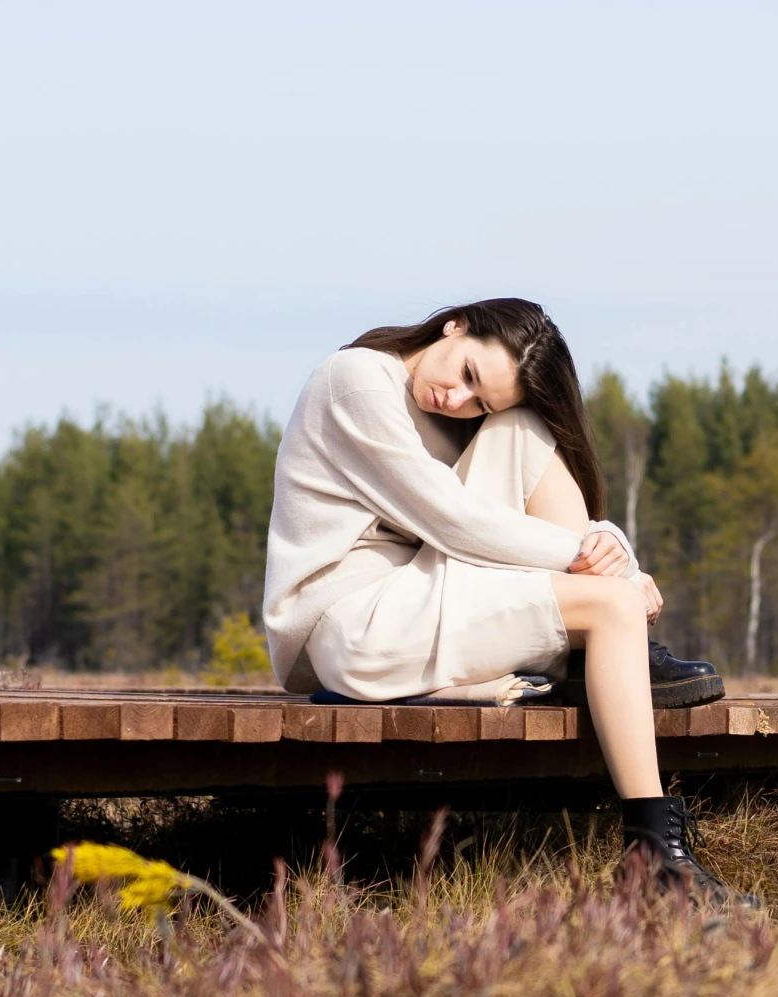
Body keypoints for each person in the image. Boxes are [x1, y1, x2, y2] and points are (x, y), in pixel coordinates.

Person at [262, 299, 744, 902]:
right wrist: (605, 572)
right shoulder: (356, 379)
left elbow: (480, 517)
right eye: (466, 374)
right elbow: (451, 518)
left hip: (415, 587)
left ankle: (597, 653)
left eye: (479, 401)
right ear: (455, 324)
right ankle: (654, 857)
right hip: (357, 623)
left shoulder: (445, 407)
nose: (457, 400)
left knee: (521, 428)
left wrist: (610, 550)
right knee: (612, 607)